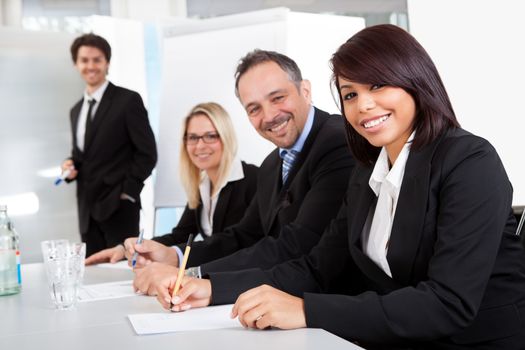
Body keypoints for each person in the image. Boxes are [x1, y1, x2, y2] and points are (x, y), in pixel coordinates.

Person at [158, 25, 525, 349]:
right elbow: (317, 268)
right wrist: (209, 288)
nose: (364, 105)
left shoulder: (470, 161)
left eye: (378, 85)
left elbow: (447, 303)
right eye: (350, 94)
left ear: (415, 81)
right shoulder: (367, 172)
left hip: (472, 341)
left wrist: (306, 310)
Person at [128, 50, 355, 295]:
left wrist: (192, 275)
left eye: (278, 98)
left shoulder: (338, 141)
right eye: (254, 109)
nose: (269, 116)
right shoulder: (272, 165)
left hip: (329, 308)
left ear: (306, 91)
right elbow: (244, 236)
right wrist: (174, 256)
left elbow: (296, 245)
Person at [85, 102, 258, 265]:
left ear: (226, 137)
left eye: (210, 136)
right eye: (192, 137)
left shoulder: (253, 179)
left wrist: (176, 257)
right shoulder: (202, 185)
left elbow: (238, 242)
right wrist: (126, 249)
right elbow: (179, 236)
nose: (199, 146)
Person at [62, 33, 157, 257]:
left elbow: (147, 153)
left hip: (119, 209)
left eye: (97, 60)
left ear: (107, 63)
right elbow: (82, 155)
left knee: (124, 276)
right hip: (87, 211)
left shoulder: (127, 100)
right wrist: (70, 165)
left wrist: (127, 193)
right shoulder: (75, 110)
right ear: (76, 64)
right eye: (85, 60)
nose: (91, 66)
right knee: (93, 274)